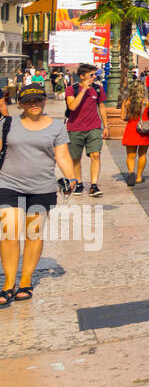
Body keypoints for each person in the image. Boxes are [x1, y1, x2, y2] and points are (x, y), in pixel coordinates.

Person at [1, 83, 80, 307]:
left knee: (33, 234)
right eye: (28, 100)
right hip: (8, 183)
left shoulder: (56, 127)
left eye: (38, 99)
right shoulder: (7, 124)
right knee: (8, 233)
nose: (34, 104)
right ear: (20, 104)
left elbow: (62, 156)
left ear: (45, 101)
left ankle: (25, 280)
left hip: (41, 187)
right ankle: (8, 283)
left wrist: (71, 177)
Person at [64, 63, 107, 198]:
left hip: (93, 127)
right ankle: (79, 183)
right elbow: (72, 106)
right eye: (91, 75)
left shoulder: (98, 89)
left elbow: (101, 107)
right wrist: (83, 90)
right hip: (75, 128)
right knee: (76, 158)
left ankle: (93, 186)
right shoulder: (71, 89)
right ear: (82, 76)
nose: (94, 77)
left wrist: (106, 126)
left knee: (95, 155)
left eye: (95, 74)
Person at [119, 80, 149, 187]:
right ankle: (139, 177)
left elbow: (122, 117)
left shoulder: (126, 101)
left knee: (131, 155)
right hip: (145, 130)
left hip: (131, 128)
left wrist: (130, 117)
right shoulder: (148, 101)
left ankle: (131, 173)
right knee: (142, 154)